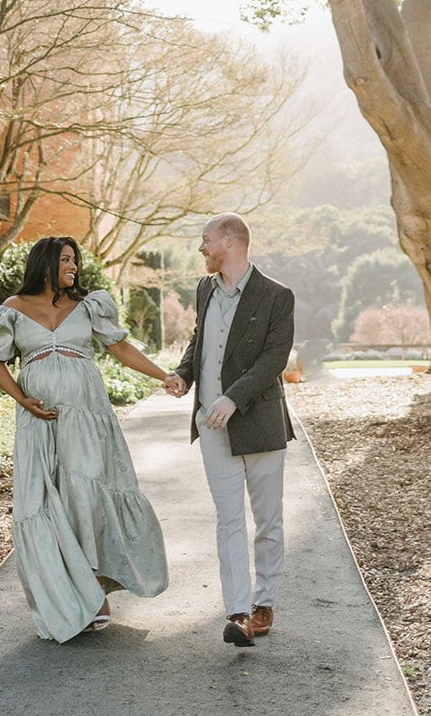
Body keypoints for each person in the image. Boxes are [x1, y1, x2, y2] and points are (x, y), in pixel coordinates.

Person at [0, 235, 171, 642]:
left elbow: (120, 348)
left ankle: (96, 592)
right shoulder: (10, 310)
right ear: (45, 263)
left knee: (88, 498)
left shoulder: (88, 306)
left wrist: (164, 376)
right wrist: (24, 400)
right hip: (41, 422)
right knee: (48, 502)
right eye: (66, 260)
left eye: (75, 260)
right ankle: (64, 598)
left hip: (87, 418)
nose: (74, 267)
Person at [163, 213, 295, 648]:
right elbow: (198, 339)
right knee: (229, 519)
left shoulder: (277, 296)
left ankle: (264, 604)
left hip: (259, 425)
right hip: (211, 427)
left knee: (268, 520)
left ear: (230, 242)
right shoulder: (204, 288)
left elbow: (273, 359)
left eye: (206, 241)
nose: (201, 249)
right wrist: (185, 374)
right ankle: (239, 613)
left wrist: (232, 397)